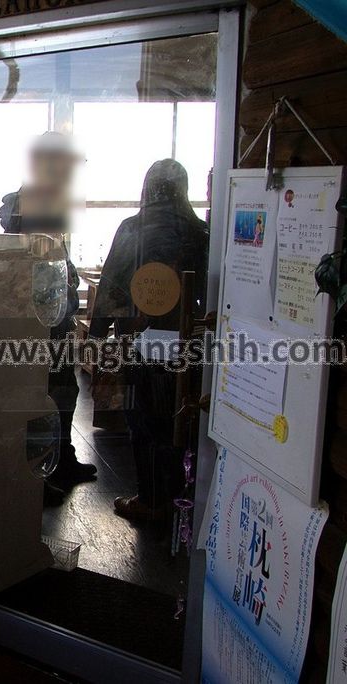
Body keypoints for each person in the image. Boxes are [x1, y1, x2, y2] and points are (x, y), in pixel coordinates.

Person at [88, 159, 209, 522]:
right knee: (180, 420)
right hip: (186, 343)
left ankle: (151, 500)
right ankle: (180, 499)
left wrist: (95, 338)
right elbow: (206, 295)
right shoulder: (200, 233)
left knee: (143, 421)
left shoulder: (132, 230)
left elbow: (110, 286)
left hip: (139, 343)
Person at [0, 132, 98, 491]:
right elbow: (39, 265)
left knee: (59, 391)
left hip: (43, 317)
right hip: (38, 318)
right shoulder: (34, 200)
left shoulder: (38, 198)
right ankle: (42, 471)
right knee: (46, 393)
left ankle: (57, 461)